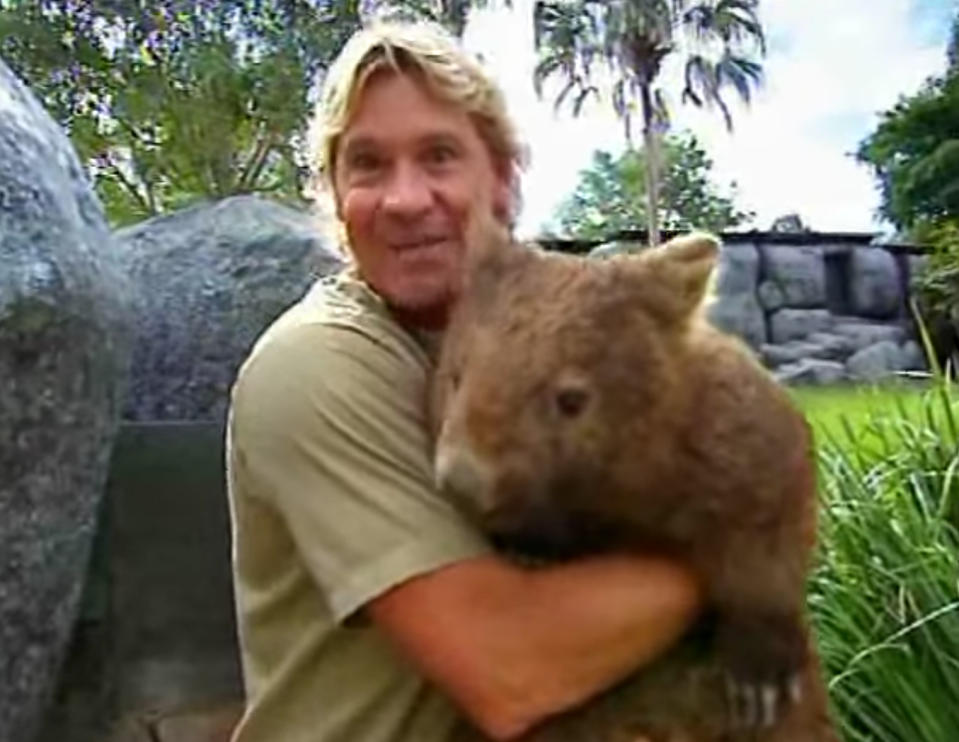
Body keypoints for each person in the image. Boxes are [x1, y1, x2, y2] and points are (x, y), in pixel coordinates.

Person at [225, 20, 703, 742]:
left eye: (439, 156)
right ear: (334, 193)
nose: (405, 198)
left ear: (503, 178)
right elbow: (512, 669)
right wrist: (740, 542)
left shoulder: (532, 334)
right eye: (368, 165)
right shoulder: (316, 365)